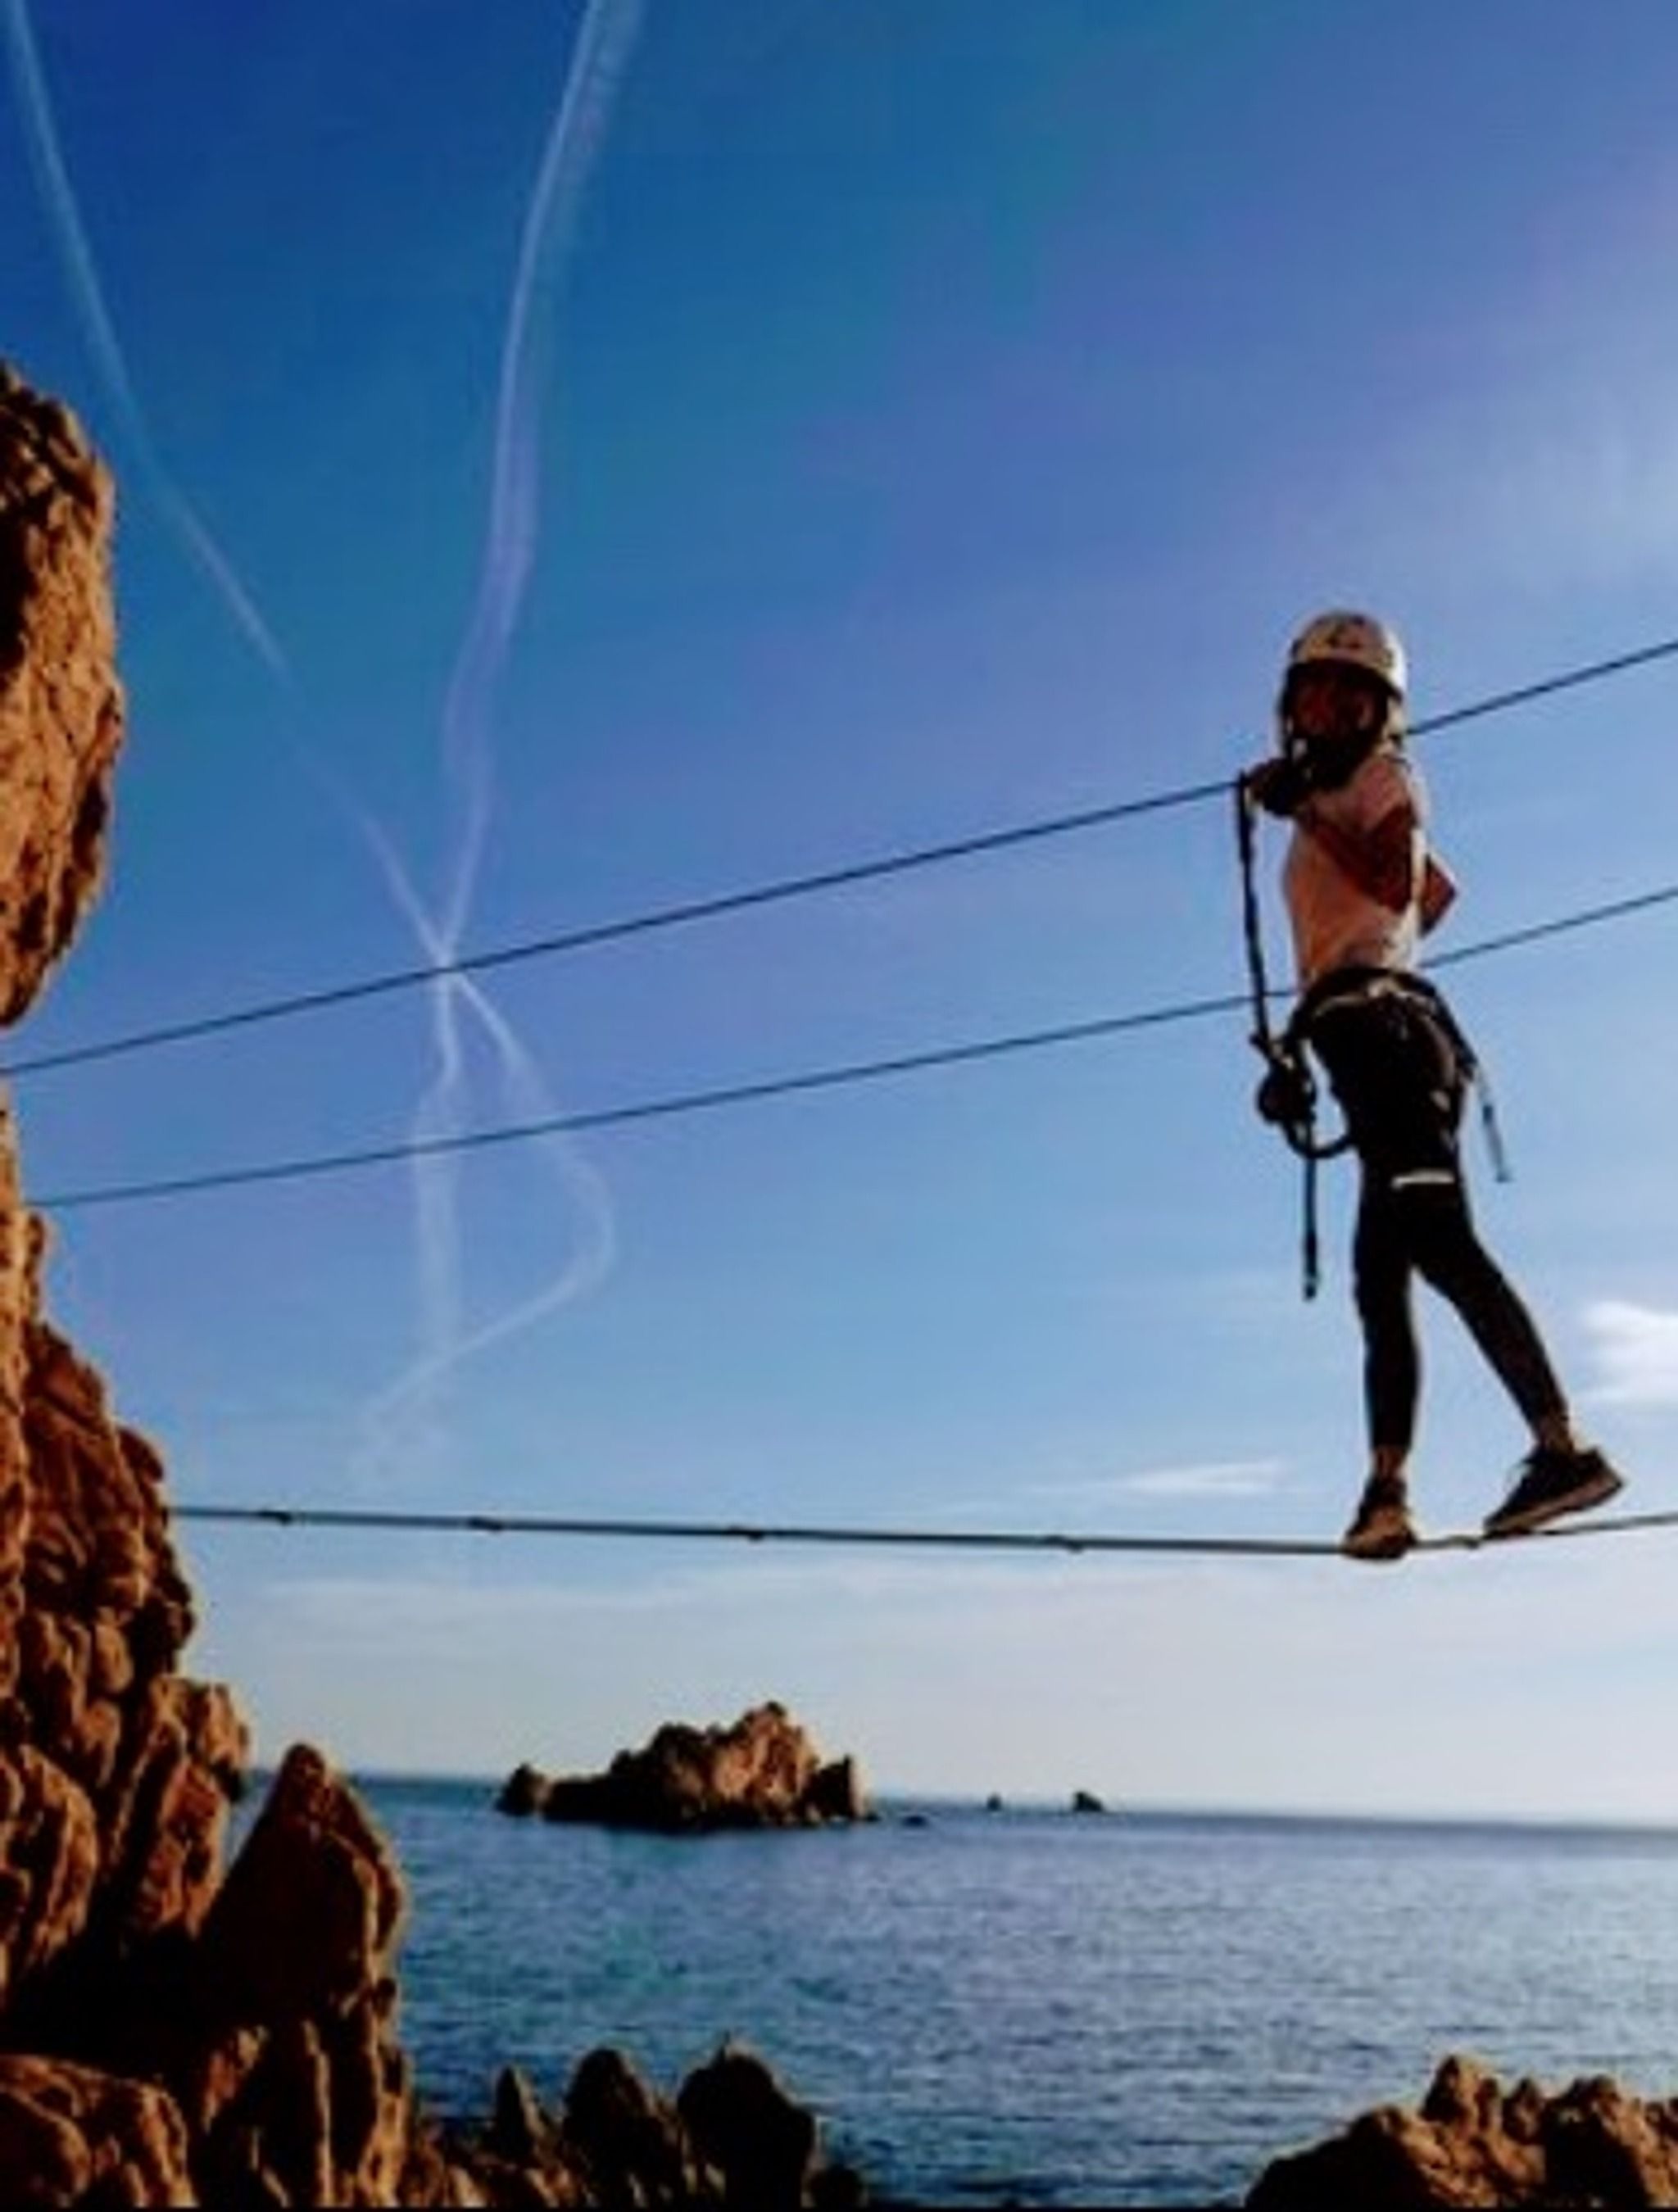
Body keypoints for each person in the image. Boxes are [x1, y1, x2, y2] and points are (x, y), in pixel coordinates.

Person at [1244, 610, 1624, 1561]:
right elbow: (1427, 894)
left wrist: (1308, 822)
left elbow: (1388, 881)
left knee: (1438, 1245)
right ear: (1291, 705)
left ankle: (1563, 1451)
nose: (1327, 705)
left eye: (1349, 694)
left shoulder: (1385, 775)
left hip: (1388, 1039)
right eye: (1314, 690)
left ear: (1378, 712)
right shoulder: (1344, 791)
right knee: (1379, 1281)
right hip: (1356, 1033)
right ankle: (1384, 1495)